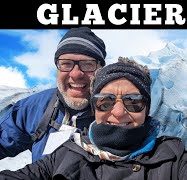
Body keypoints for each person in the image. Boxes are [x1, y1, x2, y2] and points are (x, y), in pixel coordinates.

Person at [0, 57, 187, 180]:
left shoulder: (173, 159)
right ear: (95, 107)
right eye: (106, 102)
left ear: (146, 109)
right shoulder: (66, 155)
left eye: (134, 101)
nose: (119, 112)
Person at [0, 27, 107, 162]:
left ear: (101, 70)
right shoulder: (33, 109)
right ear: (57, 68)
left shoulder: (120, 113)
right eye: (66, 64)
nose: (75, 74)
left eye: (87, 64)